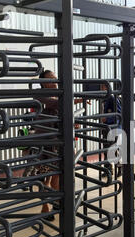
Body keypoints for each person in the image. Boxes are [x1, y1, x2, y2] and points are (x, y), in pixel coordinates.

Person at [35, 70, 88, 220]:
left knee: (59, 174)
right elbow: (55, 104)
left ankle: (57, 201)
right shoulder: (40, 95)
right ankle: (45, 208)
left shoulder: (60, 94)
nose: (54, 81)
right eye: (50, 79)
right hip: (46, 142)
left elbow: (64, 114)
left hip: (61, 142)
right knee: (45, 177)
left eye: (55, 78)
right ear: (43, 83)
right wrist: (76, 99)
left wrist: (73, 124)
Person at [100, 83, 122, 178]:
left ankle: (119, 167)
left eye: (102, 87)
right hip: (106, 128)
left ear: (108, 88)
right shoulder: (103, 99)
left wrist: (106, 119)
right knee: (106, 150)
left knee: (112, 150)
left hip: (113, 129)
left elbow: (119, 114)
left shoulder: (112, 98)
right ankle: (108, 170)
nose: (100, 89)